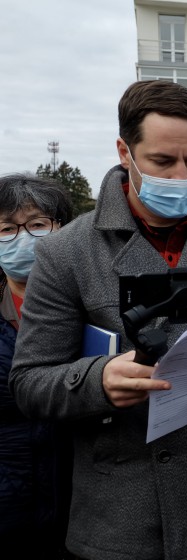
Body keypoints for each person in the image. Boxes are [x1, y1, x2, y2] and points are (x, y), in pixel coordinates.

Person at [9, 80, 187, 560]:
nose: (183, 176)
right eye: (163, 162)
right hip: (123, 513)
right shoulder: (68, 253)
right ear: (125, 151)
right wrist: (99, 380)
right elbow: (30, 382)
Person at [0, 174, 73, 559]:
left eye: (38, 225)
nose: (22, 238)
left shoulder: (89, 306)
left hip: (78, 497)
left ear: (60, 228)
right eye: (7, 228)